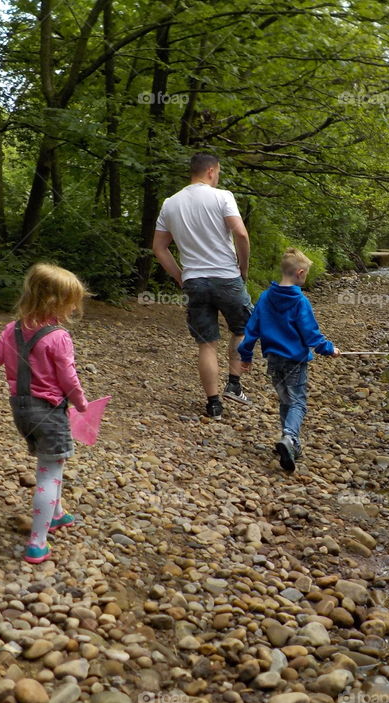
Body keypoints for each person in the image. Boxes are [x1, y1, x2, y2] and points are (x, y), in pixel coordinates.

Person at [0, 263, 90, 564]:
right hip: (49, 411)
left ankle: (56, 515)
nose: (73, 308)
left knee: (51, 459)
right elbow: (68, 378)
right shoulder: (58, 337)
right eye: (71, 302)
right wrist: (81, 403)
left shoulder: (12, 330)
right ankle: (37, 542)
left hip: (21, 410)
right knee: (50, 473)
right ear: (56, 302)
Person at [152, 152, 252, 418]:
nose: (218, 177)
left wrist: (180, 275)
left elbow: (159, 248)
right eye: (217, 172)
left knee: (206, 344)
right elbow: (241, 233)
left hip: (195, 280)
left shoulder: (170, 203)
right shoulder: (223, 197)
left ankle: (213, 404)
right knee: (243, 328)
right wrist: (243, 267)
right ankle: (234, 383)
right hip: (227, 276)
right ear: (211, 171)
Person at [238, 248, 340, 472]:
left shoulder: (265, 297)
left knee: (286, 401)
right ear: (300, 273)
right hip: (294, 360)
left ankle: (292, 444)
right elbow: (310, 333)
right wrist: (328, 349)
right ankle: (290, 437)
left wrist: (245, 355)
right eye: (306, 275)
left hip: (273, 359)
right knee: (298, 402)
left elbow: (251, 329)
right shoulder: (300, 301)